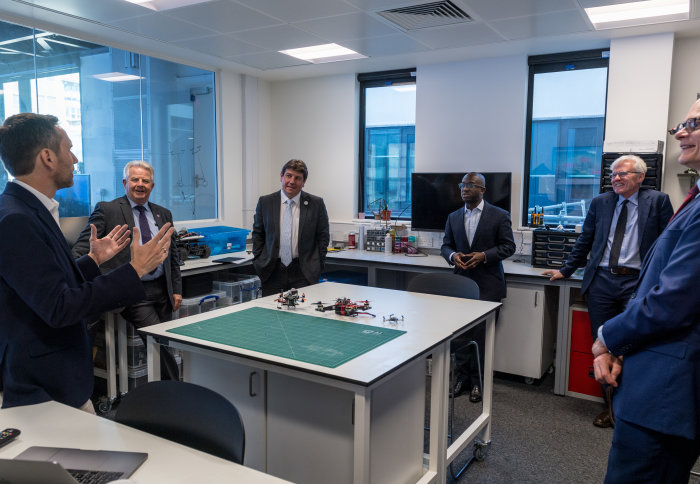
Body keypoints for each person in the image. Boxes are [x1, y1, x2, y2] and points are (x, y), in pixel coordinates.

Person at [0, 113, 173, 410]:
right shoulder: (17, 219)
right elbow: (59, 307)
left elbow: (46, 285)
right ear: (47, 158)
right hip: (44, 385)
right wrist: (134, 270)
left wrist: (93, 260)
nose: (75, 159)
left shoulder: (28, 210)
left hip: (56, 379)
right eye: (68, 149)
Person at [592, 100, 700, 482]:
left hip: (666, 392)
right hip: (652, 362)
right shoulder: (694, 200)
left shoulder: (663, 202)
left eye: (693, 123)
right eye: (680, 125)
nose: (681, 132)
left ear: (640, 177)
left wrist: (608, 338)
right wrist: (623, 346)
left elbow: (673, 300)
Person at [542, 154, 673, 428]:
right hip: (602, 281)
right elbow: (585, 239)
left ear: (640, 177)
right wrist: (566, 269)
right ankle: (610, 407)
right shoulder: (600, 202)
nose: (616, 178)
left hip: (638, 282)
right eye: (613, 174)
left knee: (633, 346)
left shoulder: (658, 201)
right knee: (602, 344)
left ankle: (629, 410)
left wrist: (664, 280)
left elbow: (668, 244)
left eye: (623, 174)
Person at [72, 160, 182, 380]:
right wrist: (93, 264)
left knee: (165, 341)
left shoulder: (163, 213)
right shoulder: (108, 209)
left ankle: (162, 388)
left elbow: (173, 254)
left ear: (152, 186)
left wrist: (177, 289)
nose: (140, 184)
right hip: (134, 290)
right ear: (125, 183)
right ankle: (175, 386)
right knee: (158, 341)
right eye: (135, 179)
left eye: (145, 181)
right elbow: (81, 251)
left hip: (163, 290)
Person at [440, 172, 515, 402]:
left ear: (482, 190)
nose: (465, 188)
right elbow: (445, 246)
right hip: (461, 284)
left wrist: (484, 256)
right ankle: (461, 379)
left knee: (481, 336)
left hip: (488, 283)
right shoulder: (453, 217)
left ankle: (477, 383)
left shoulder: (499, 215)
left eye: (471, 185)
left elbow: (508, 247)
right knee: (460, 335)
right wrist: (453, 256)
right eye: (462, 185)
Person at [252, 159, 330, 297]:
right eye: (288, 176)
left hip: (303, 271)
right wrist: (259, 260)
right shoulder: (265, 202)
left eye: (297, 178)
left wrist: (317, 265)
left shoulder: (316, 204)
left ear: (304, 182)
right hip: (271, 270)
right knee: (271, 309)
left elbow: (323, 236)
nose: (292, 181)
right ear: (281, 176)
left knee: (303, 309)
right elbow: (258, 233)